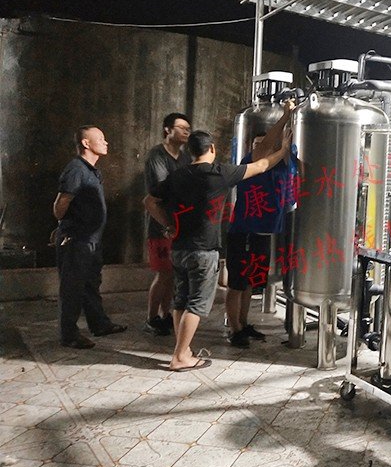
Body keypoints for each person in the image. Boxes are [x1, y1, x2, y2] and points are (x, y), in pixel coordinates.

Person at [143, 106, 293, 372]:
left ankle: (183, 350)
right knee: (197, 304)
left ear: (191, 152)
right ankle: (180, 356)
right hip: (204, 250)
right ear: (211, 149)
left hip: (179, 248)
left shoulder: (177, 176)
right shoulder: (220, 173)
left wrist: (168, 225)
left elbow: (149, 201)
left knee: (181, 300)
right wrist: (282, 150)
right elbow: (261, 164)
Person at [225, 108, 295, 347]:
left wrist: (287, 144)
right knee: (237, 283)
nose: (260, 147)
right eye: (257, 144)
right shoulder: (250, 163)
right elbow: (267, 147)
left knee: (249, 282)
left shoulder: (281, 165)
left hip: (262, 233)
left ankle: (243, 324)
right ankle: (234, 329)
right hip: (244, 231)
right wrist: (286, 115)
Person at [53, 125, 127, 349]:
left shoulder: (91, 170)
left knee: (90, 284)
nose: (106, 142)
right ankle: (69, 335)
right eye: (101, 139)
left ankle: (99, 324)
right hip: (77, 240)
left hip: (91, 239)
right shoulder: (76, 169)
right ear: (86, 143)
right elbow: (61, 204)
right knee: (72, 287)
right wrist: (64, 226)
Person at [143, 113, 192, 336]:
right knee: (163, 273)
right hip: (161, 224)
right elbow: (164, 188)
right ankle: (151, 317)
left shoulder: (184, 157)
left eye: (188, 128)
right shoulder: (157, 156)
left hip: (179, 222)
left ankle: (165, 314)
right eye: (181, 127)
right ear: (167, 130)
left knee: (172, 273)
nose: (186, 131)